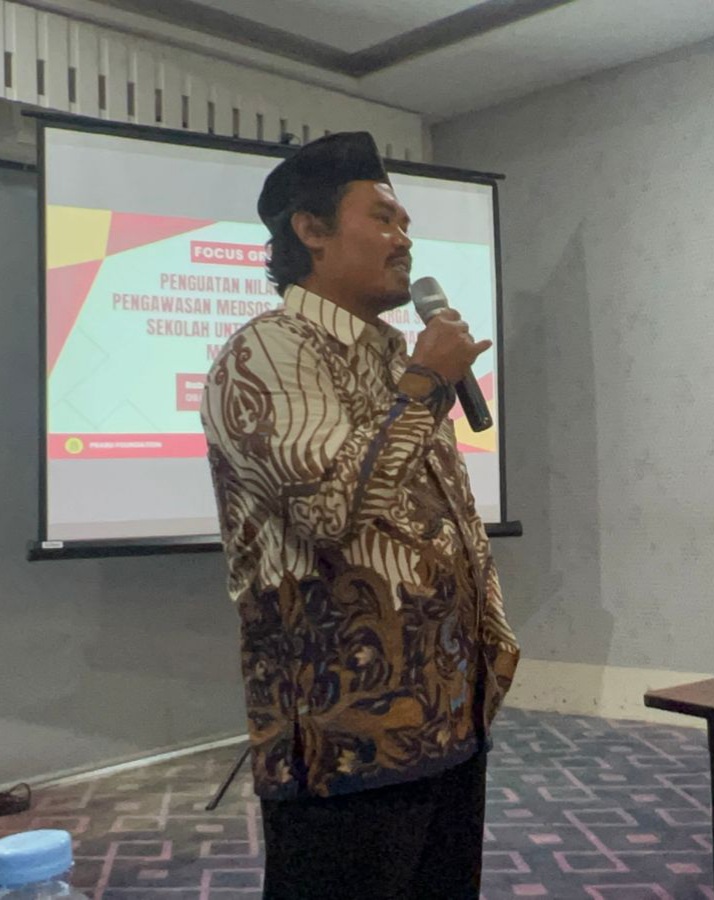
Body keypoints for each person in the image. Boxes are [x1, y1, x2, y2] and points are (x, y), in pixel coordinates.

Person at [201, 131, 518, 899]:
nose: (403, 238)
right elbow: (330, 510)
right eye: (382, 218)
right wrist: (424, 385)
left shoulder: (395, 358)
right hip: (344, 743)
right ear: (310, 230)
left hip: (447, 718)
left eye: (405, 222)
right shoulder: (267, 352)